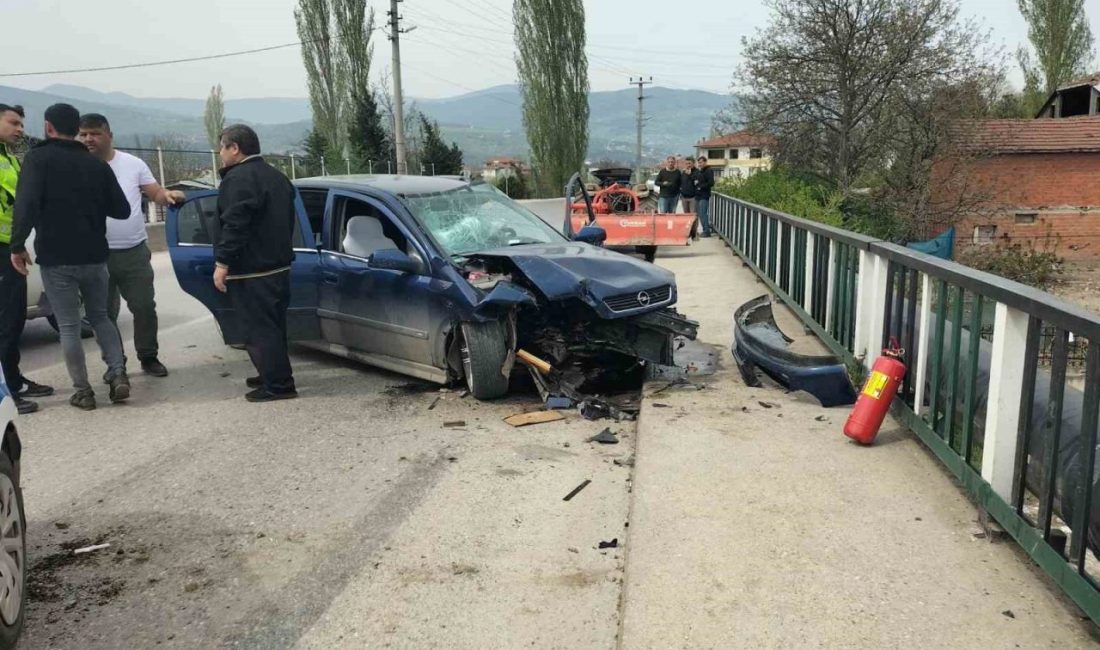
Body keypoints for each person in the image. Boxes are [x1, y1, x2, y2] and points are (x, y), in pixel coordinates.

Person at [11, 103, 131, 410]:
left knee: (68, 326)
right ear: (77, 129)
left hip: (56, 258)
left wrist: (17, 245)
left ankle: (83, 391)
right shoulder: (95, 164)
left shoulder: (37, 160)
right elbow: (122, 209)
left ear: (49, 127)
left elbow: (25, 205)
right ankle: (118, 374)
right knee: (101, 316)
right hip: (94, 256)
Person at [77, 113, 183, 379]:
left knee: (144, 306)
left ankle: (148, 356)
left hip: (133, 251)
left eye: (95, 133)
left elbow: (154, 192)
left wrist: (166, 195)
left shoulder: (132, 164)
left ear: (109, 135)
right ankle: (116, 364)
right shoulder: (76, 166)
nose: (89, 139)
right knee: (103, 315)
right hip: (94, 255)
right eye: (83, 134)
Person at [214, 124, 298, 402]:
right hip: (279, 267)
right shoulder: (276, 176)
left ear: (234, 148)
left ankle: (278, 385)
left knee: (258, 330)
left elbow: (235, 224)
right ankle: (270, 373)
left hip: (253, 270)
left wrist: (223, 262)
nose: (220, 156)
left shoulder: (238, 179)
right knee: (273, 327)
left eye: (221, 149)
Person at [0, 104, 53, 414]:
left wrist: (18, 244)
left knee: (15, 317)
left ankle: (14, 379)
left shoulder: (8, 156)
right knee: (7, 321)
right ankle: (9, 392)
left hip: (9, 247)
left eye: (22, 124)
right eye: (13, 123)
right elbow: (20, 198)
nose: (20, 129)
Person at [695, 155, 715, 237]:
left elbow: (711, 183)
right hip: (699, 195)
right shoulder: (701, 171)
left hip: (704, 195)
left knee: (703, 213)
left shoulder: (709, 170)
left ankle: (706, 231)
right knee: (700, 213)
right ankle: (705, 230)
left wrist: (700, 186)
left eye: (701, 162)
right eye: (699, 163)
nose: (700, 164)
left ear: (705, 162)